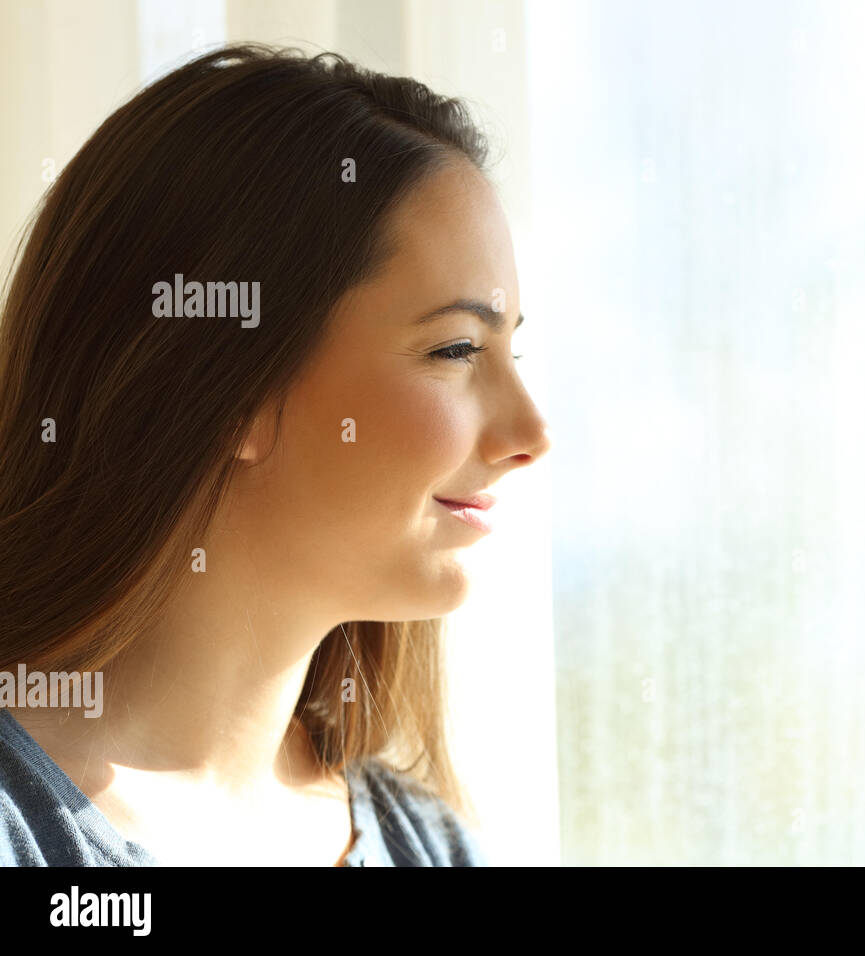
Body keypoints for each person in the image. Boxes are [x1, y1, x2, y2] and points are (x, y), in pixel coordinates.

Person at [0, 43, 551, 866]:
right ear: (223, 391)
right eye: (455, 350)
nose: (532, 434)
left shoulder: (430, 847)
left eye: (513, 352)